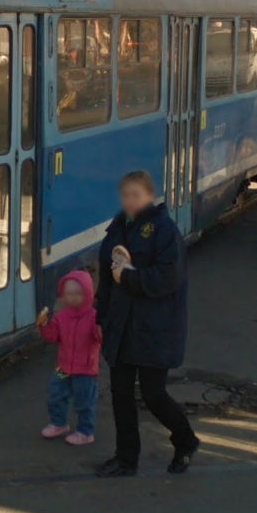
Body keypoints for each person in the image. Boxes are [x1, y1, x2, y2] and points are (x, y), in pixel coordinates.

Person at [93, 170, 199, 477]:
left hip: (154, 328)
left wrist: (130, 277)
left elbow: (168, 277)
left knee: (154, 395)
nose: (130, 201)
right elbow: (106, 278)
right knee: (121, 393)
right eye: (126, 195)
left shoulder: (164, 230)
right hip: (121, 325)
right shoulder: (118, 227)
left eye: (136, 195)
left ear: (150, 196)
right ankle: (126, 458)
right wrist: (100, 316)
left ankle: (186, 440)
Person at [37, 269, 102, 446]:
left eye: (78, 293)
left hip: (86, 370)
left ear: (88, 294)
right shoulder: (61, 316)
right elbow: (53, 337)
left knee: (84, 401)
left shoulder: (94, 317)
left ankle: (85, 432)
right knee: (55, 394)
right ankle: (59, 423)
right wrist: (45, 326)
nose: (73, 298)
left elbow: (100, 338)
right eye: (68, 294)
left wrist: (101, 330)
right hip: (63, 367)